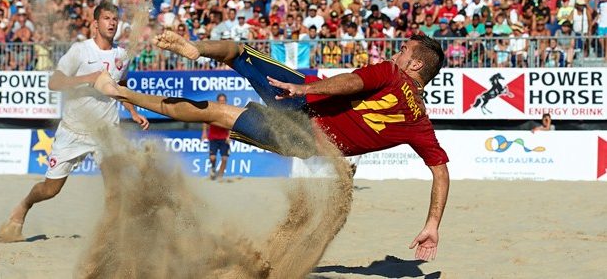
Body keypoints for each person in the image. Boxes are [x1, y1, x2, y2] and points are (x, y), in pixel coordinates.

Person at [94, 31, 450, 261]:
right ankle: (122, 92)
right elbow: (440, 172)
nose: (399, 53)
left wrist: (304, 89)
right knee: (216, 114)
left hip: (302, 101)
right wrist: (432, 224)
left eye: (404, 51)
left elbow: (351, 82)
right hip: (303, 141)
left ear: (415, 64)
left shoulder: (391, 72)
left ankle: (194, 50)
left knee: (236, 50)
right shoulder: (420, 124)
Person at [0, 3, 149, 243]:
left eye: (115, 19)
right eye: (107, 18)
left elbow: (122, 86)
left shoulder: (121, 55)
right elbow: (54, 82)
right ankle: (23, 206)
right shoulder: (80, 51)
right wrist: (89, 78)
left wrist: (133, 110)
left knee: (115, 188)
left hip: (106, 131)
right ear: (96, 23)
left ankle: (111, 240)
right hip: (73, 131)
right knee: (50, 190)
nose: (112, 23)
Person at [202, 93, 231, 180]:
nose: (222, 102)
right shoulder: (212, 111)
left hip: (224, 138)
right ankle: (213, 169)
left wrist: (229, 136)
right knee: (212, 157)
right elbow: (205, 121)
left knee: (224, 158)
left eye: (223, 100)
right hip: (213, 138)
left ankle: (220, 176)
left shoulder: (228, 112)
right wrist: (204, 133)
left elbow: (231, 125)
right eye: (220, 100)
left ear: (225, 101)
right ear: (217, 101)